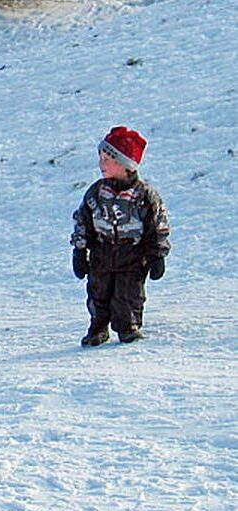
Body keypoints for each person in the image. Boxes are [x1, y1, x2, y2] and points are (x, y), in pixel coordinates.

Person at [71, 126, 170, 346]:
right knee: (99, 291)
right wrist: (79, 250)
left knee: (128, 294)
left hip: (132, 254)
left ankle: (128, 326)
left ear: (125, 165)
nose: (101, 164)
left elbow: (157, 226)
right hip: (101, 252)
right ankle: (98, 326)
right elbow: (82, 221)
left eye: (108, 159)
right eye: (100, 157)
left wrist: (157, 255)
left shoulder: (144, 196)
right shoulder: (96, 193)